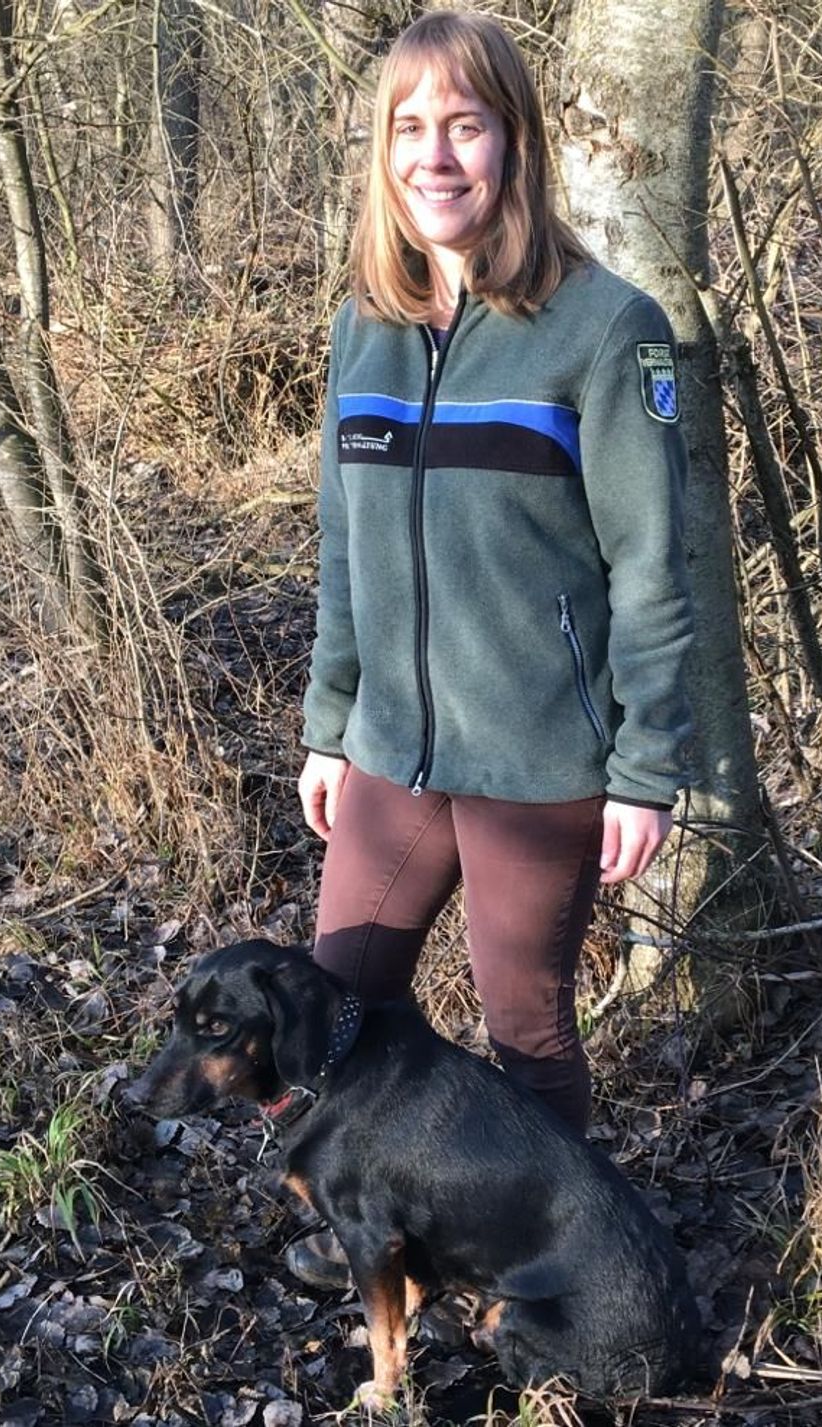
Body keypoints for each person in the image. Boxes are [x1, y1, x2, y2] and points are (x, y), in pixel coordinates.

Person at [290, 8, 692, 1285]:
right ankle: (378, 1236)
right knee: (333, 1014)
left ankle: (547, 1267)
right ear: (382, 153)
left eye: (464, 124)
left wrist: (644, 766)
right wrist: (327, 720)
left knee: (526, 1038)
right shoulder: (366, 323)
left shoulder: (604, 327)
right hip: (390, 757)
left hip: (539, 761)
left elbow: (649, 566)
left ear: (513, 143)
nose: (435, 155)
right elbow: (343, 551)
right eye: (410, 127)